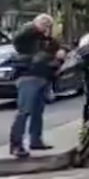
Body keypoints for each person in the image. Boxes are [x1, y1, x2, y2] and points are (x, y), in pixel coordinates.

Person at [8, 13, 61, 158]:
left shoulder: (49, 42)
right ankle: (16, 145)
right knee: (24, 111)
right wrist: (34, 27)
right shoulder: (26, 40)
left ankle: (35, 140)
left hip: (43, 77)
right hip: (28, 76)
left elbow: (55, 54)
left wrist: (59, 56)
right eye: (43, 23)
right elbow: (18, 37)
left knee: (38, 112)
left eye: (48, 24)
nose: (46, 25)